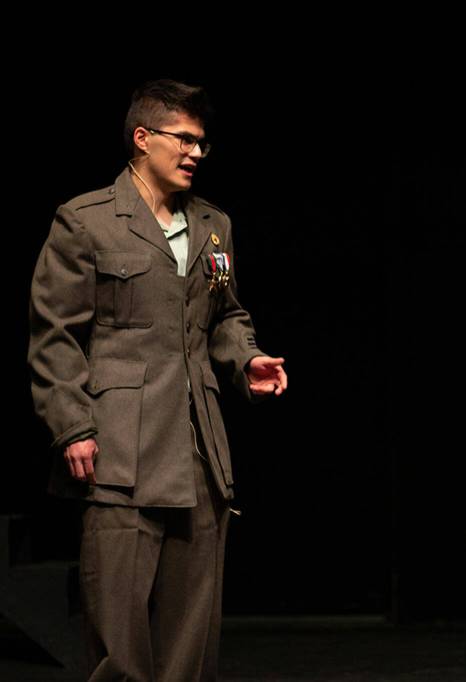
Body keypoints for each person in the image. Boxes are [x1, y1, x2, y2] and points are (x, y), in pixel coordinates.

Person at [27, 79, 288, 681]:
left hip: (198, 452)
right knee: (120, 643)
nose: (197, 153)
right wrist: (73, 427)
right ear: (142, 139)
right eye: (185, 140)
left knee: (191, 645)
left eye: (203, 143)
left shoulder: (213, 225)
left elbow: (225, 315)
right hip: (120, 451)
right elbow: (54, 335)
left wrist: (246, 358)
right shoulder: (87, 220)